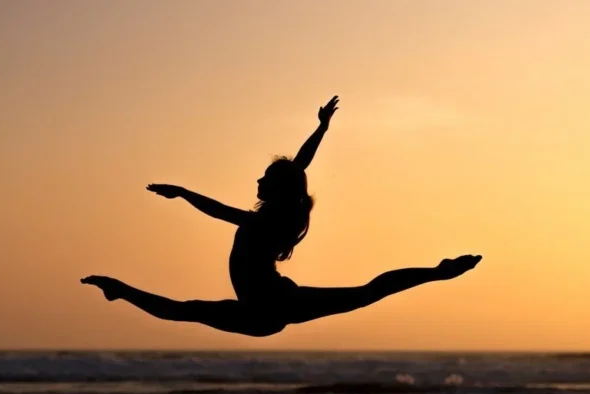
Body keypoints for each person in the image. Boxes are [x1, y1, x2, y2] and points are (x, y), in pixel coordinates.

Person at [82, 96, 481, 337]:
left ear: (276, 189)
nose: (257, 180)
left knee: (183, 310)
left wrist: (184, 193)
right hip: (268, 306)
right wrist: (321, 129)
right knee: (365, 294)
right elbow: (299, 165)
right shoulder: (280, 211)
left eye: (264, 179)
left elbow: (221, 211)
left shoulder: (266, 222)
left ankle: (437, 272)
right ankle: (438, 272)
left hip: (269, 306)